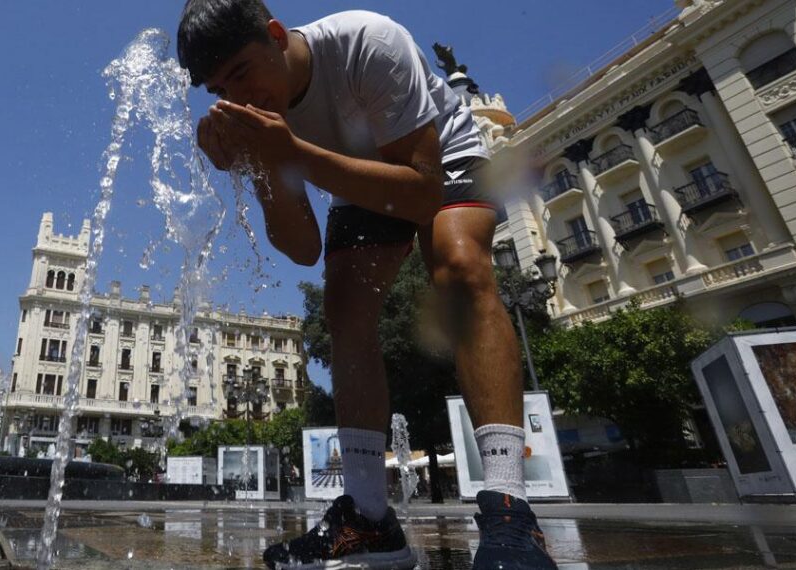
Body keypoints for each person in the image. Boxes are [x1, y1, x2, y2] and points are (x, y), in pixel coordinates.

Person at [177, 2, 556, 569]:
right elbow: (303, 248)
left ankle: (509, 508)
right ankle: (370, 517)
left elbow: (423, 195)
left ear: (277, 36)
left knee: (459, 266)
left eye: (243, 72)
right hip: (354, 176)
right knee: (344, 311)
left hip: (437, 159)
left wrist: (292, 151)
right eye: (218, 88)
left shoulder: (367, 43)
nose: (238, 96)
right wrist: (260, 163)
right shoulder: (257, 115)